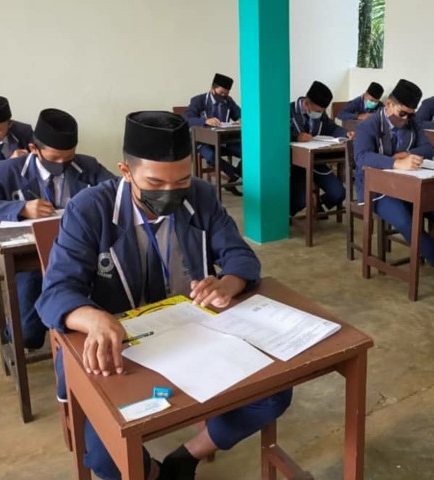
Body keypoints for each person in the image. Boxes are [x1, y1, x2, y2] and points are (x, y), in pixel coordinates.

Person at [36, 111, 292, 480]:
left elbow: (241, 256)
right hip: (122, 345)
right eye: (155, 182)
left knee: (274, 392)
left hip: (189, 331)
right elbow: (56, 291)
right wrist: (94, 318)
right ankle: (154, 474)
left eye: (181, 181)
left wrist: (228, 283)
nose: (170, 192)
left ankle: (187, 457)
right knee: (106, 457)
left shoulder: (200, 196)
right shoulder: (89, 209)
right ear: (125, 171)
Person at [0, 108, 114, 351]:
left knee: (104, 311)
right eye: (54, 159)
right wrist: (20, 208)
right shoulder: (8, 171)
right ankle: (20, 327)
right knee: (27, 336)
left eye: (68, 158)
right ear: (34, 149)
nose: (62, 164)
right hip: (31, 257)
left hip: (81, 255)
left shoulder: (87, 166)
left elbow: (117, 194)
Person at [354, 79, 434, 291]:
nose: (406, 119)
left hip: (411, 186)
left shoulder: (412, 122)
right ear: (389, 105)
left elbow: (428, 148)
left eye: (410, 114)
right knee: (405, 219)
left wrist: (408, 154)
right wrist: (394, 162)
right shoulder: (368, 125)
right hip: (378, 189)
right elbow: (362, 157)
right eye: (402, 113)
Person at [289, 80, 352, 216]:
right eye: (318, 111)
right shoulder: (288, 111)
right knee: (299, 201)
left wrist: (346, 133)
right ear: (307, 103)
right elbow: (276, 134)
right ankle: (284, 216)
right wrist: (296, 137)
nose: (320, 114)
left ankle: (318, 203)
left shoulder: (320, 114)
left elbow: (332, 128)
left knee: (339, 194)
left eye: (322, 111)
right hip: (294, 163)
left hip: (316, 161)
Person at [182, 73, 243, 196]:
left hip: (224, 140)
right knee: (211, 156)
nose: (223, 96)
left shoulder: (228, 101)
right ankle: (235, 174)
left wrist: (241, 119)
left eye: (226, 94)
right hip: (203, 141)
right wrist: (205, 121)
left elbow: (240, 114)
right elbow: (186, 118)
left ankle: (233, 179)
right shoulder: (199, 100)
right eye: (221, 93)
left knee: (247, 152)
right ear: (212, 89)